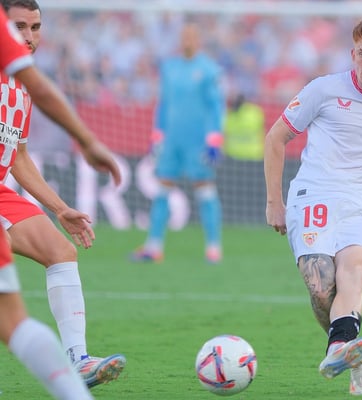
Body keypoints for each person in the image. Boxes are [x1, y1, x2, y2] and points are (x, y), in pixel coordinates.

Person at [264, 14, 362, 396]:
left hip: (361, 207)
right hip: (313, 196)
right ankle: (355, 357)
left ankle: (339, 347)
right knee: (321, 287)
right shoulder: (323, 90)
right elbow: (275, 138)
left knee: (354, 271)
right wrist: (274, 202)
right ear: (352, 53)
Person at [0, 0, 126, 389]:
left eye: (35, 27)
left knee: (61, 252)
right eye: (19, 27)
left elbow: (18, 156)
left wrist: (59, 208)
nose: (28, 36)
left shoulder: (21, 86)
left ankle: (78, 361)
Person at [130, 22, 226, 264]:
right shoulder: (169, 67)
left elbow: (215, 106)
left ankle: (213, 247)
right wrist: (157, 135)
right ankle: (154, 246)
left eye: (191, 37)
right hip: (172, 140)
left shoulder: (209, 69)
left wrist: (214, 138)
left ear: (198, 40)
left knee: (205, 190)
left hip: (197, 141)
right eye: (184, 37)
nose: (187, 41)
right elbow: (163, 103)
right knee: (162, 188)